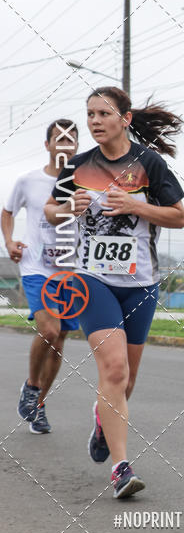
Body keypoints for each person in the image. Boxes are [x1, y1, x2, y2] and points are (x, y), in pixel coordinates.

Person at [45, 87, 184, 498]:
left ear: (125, 119)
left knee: (126, 381)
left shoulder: (149, 163)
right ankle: (121, 469)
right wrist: (67, 208)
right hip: (92, 280)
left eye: (103, 114)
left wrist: (135, 205)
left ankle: (101, 419)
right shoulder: (78, 165)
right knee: (114, 370)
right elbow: (50, 211)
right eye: (90, 114)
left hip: (141, 283)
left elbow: (178, 216)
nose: (94, 121)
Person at [2, 119, 79, 434]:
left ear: (77, 147)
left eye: (70, 140)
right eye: (59, 139)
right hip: (36, 267)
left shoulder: (86, 181)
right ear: (47, 145)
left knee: (58, 342)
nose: (65, 145)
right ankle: (32, 386)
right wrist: (9, 242)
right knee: (49, 330)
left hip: (70, 272)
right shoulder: (28, 180)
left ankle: (39, 405)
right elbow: (7, 212)